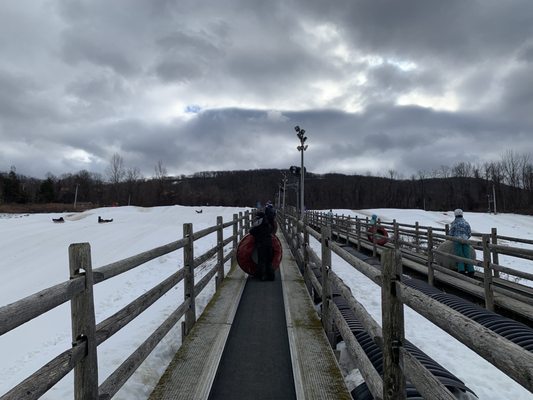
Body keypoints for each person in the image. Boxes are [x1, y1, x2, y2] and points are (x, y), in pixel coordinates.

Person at [250, 203, 277, 281]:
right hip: (269, 244)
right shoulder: (268, 224)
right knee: (269, 260)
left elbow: (252, 231)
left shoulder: (259, 226)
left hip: (261, 245)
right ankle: (271, 276)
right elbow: (272, 230)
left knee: (262, 260)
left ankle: (262, 275)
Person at [449, 209, 475, 277]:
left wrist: (452, 237)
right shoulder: (466, 223)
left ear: (455, 215)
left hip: (457, 240)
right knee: (467, 255)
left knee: (459, 255)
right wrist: (466, 237)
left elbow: (451, 233)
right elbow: (469, 233)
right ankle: (471, 270)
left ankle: (461, 270)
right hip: (466, 240)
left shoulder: (454, 223)